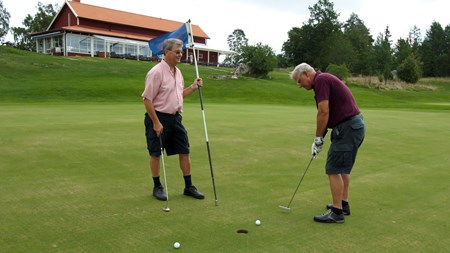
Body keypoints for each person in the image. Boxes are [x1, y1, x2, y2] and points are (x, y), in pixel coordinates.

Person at [290, 63, 365, 223]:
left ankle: (337, 213)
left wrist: (318, 138)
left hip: (347, 128)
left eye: (299, 81)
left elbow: (323, 111)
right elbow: (327, 114)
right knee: (342, 168)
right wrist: (321, 136)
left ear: (306, 74)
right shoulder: (323, 80)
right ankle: (343, 204)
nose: (299, 85)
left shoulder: (321, 80)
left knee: (334, 168)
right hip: (352, 127)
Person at [142, 38, 205, 201]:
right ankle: (157, 187)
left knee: (184, 151)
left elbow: (178, 96)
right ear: (166, 52)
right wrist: (156, 122)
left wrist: (192, 87)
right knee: (156, 153)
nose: (180, 55)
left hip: (176, 118)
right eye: (177, 52)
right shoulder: (156, 72)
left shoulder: (178, 72)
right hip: (158, 117)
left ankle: (188, 186)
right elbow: (147, 99)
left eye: (181, 52)